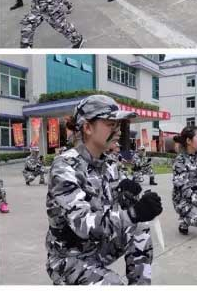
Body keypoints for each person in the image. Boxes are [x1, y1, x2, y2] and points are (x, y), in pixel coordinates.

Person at [46, 95, 162, 284]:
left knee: (140, 228)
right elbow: (83, 224)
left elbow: (117, 206)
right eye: (110, 124)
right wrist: (134, 212)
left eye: (118, 125)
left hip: (97, 247)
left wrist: (130, 196)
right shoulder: (64, 167)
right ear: (88, 128)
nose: (118, 131)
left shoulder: (108, 164)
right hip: (69, 257)